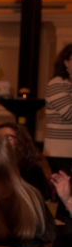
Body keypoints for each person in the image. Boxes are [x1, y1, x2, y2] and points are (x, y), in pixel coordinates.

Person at [0, 122, 51, 200]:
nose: (3, 141)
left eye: (9, 137)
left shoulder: (33, 170)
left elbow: (44, 199)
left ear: (20, 141)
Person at [44, 44, 72, 175]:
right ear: (66, 62)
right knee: (65, 191)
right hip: (61, 150)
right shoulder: (57, 83)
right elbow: (69, 113)